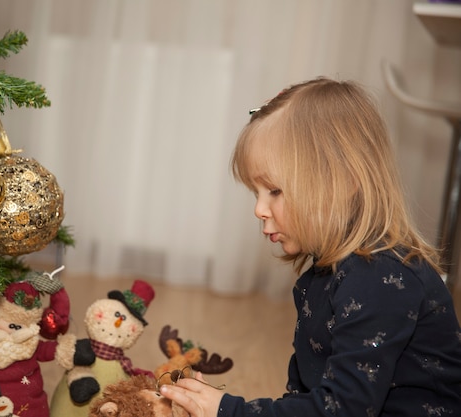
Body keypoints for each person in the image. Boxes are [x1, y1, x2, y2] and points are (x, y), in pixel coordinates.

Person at [159, 77, 461, 417]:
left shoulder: (381, 279)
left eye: (273, 190)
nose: (259, 209)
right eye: (255, 193)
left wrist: (229, 412)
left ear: (343, 181)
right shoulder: (322, 277)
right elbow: (308, 395)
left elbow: (342, 410)